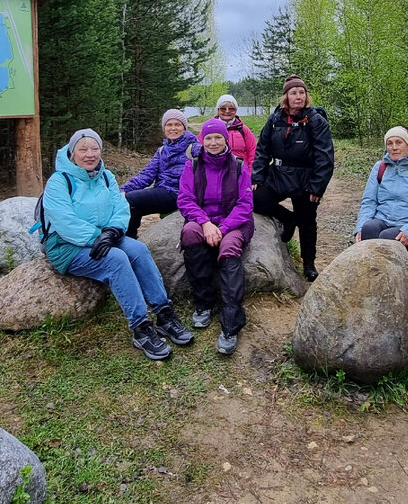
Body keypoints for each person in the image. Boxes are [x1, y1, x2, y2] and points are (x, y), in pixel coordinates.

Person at [38, 128, 194, 361]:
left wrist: (113, 231)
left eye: (94, 148)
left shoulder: (105, 176)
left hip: (105, 236)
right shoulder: (59, 181)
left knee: (139, 249)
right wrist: (98, 238)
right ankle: (140, 327)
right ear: (72, 153)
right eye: (83, 149)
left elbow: (120, 208)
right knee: (116, 259)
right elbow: (64, 221)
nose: (89, 154)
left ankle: (163, 312)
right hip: (67, 246)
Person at [177, 117, 254, 355]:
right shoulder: (193, 166)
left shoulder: (239, 166)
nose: (213, 142)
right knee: (189, 233)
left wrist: (223, 227)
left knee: (229, 248)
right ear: (202, 140)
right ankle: (204, 303)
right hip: (205, 220)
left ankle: (231, 324)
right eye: (208, 138)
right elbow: (185, 199)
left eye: (218, 137)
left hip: (234, 223)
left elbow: (245, 205)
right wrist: (205, 223)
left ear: (225, 140)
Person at [251, 75, 334, 281]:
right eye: (293, 93)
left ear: (307, 96)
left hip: (306, 178)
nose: (298, 96)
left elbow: (325, 157)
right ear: (286, 97)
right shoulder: (275, 119)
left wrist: (317, 187)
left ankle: (309, 264)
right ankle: (288, 219)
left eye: (301, 92)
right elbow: (263, 149)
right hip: (278, 174)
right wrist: (258, 176)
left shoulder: (316, 121)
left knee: (307, 221)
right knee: (255, 200)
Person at [354, 126, 408, 252]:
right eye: (390, 143)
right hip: (383, 219)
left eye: (399, 142)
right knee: (368, 229)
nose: (394, 147)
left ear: (407, 145)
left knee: (387, 238)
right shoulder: (380, 167)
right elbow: (369, 201)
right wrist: (359, 228)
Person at [120, 109, 200, 238]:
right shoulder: (162, 150)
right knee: (131, 205)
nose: (173, 128)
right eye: (169, 125)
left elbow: (212, 159)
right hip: (162, 192)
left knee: (131, 199)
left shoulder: (194, 148)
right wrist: (124, 189)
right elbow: (146, 175)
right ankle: (130, 241)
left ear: (184, 127)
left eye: (177, 124)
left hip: (179, 194)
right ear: (164, 128)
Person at [200, 93, 256, 169]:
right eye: (223, 108)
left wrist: (250, 174)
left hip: (240, 172)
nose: (227, 111)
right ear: (218, 110)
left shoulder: (243, 129)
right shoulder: (209, 127)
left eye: (231, 109)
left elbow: (253, 152)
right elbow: (199, 150)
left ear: (236, 110)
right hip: (215, 171)